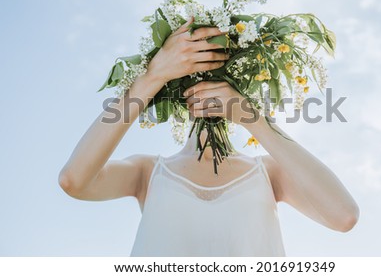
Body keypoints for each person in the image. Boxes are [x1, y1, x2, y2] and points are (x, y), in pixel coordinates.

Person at [58, 18, 360, 256]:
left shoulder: (269, 172)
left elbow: (343, 215)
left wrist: (249, 116)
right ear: (176, 91)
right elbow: (74, 180)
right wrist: (152, 76)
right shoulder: (148, 172)